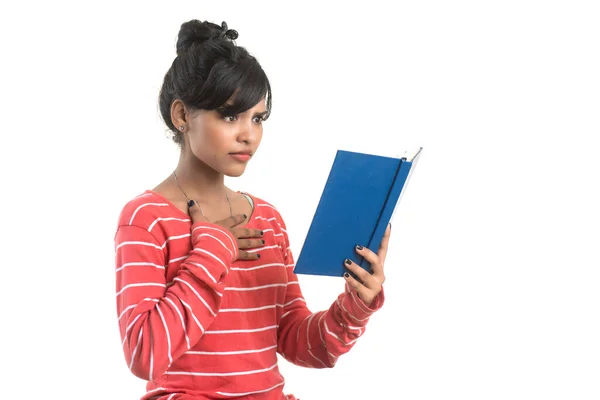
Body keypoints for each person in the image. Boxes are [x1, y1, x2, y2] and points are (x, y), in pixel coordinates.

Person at [114, 19, 391, 400]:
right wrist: (214, 250)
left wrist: (356, 303)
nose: (249, 134)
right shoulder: (146, 218)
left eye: (258, 118)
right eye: (230, 116)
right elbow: (144, 354)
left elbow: (301, 345)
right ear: (181, 116)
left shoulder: (267, 219)